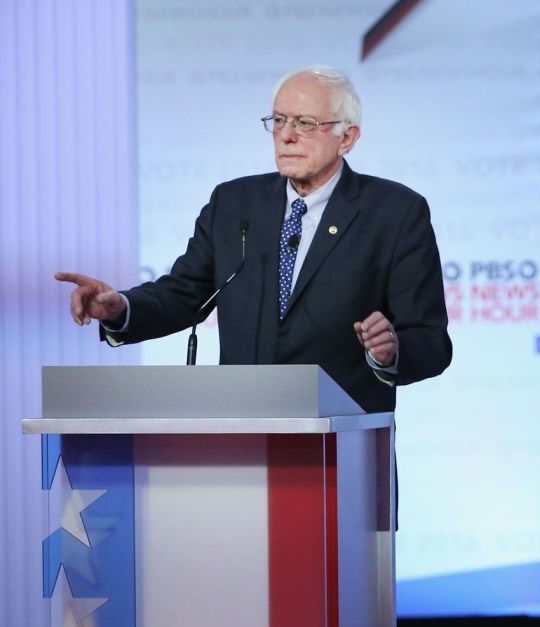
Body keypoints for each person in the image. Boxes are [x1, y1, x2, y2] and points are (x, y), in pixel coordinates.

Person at [56, 65, 451, 414]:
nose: (286, 136)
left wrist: (390, 353)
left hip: (341, 445)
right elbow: (182, 295)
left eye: (305, 123)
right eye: (279, 121)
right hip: (240, 436)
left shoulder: (395, 213)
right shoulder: (233, 204)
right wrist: (119, 308)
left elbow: (431, 340)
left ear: (346, 138)